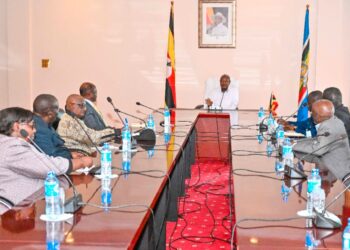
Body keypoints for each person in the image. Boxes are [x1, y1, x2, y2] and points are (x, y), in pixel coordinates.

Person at [0, 107, 93, 207]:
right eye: (32, 126)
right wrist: (81, 162)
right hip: (14, 208)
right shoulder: (12, 147)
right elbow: (49, 167)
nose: (35, 130)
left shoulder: (9, 143)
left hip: (30, 198)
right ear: (17, 127)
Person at [293, 99, 350, 183]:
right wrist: (296, 143)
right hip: (331, 166)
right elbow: (316, 140)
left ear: (317, 116)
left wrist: (293, 145)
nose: (311, 115)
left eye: (312, 113)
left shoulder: (327, 126)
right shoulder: (334, 120)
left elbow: (318, 149)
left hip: (338, 174)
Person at [33, 94, 73, 159]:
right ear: (50, 114)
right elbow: (51, 156)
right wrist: (70, 155)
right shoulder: (40, 130)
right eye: (57, 111)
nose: (58, 113)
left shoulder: (45, 124)